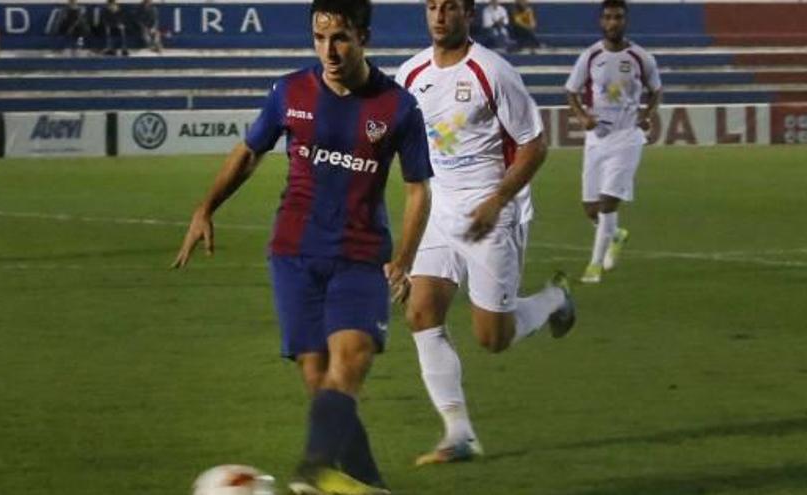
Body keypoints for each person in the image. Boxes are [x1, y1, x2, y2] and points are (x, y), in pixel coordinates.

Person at [173, 0, 432, 493]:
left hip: (361, 258)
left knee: (348, 364)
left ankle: (313, 467)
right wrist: (206, 208)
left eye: (340, 38)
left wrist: (403, 261)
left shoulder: (398, 107)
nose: (329, 50)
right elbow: (251, 151)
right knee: (320, 385)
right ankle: (368, 483)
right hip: (294, 254)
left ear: (364, 38)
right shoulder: (290, 90)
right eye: (319, 37)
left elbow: (419, 187)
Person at [395, 0, 575, 465]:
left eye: (449, 7)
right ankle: (459, 433)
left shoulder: (492, 72)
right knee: (421, 312)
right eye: (432, 6)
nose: (439, 15)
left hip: (493, 215)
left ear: (468, 14)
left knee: (493, 338)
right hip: (440, 211)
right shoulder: (411, 75)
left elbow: (535, 146)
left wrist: (496, 200)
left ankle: (554, 299)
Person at [564, 0, 662, 283]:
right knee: (591, 209)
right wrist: (582, 117)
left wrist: (646, 114)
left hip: (627, 137)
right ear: (601, 21)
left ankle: (594, 266)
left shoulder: (641, 58)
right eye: (608, 17)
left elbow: (656, 90)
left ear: (625, 21)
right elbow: (571, 91)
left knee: (608, 204)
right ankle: (616, 234)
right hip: (596, 139)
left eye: (618, 17)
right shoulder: (591, 56)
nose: (613, 22)